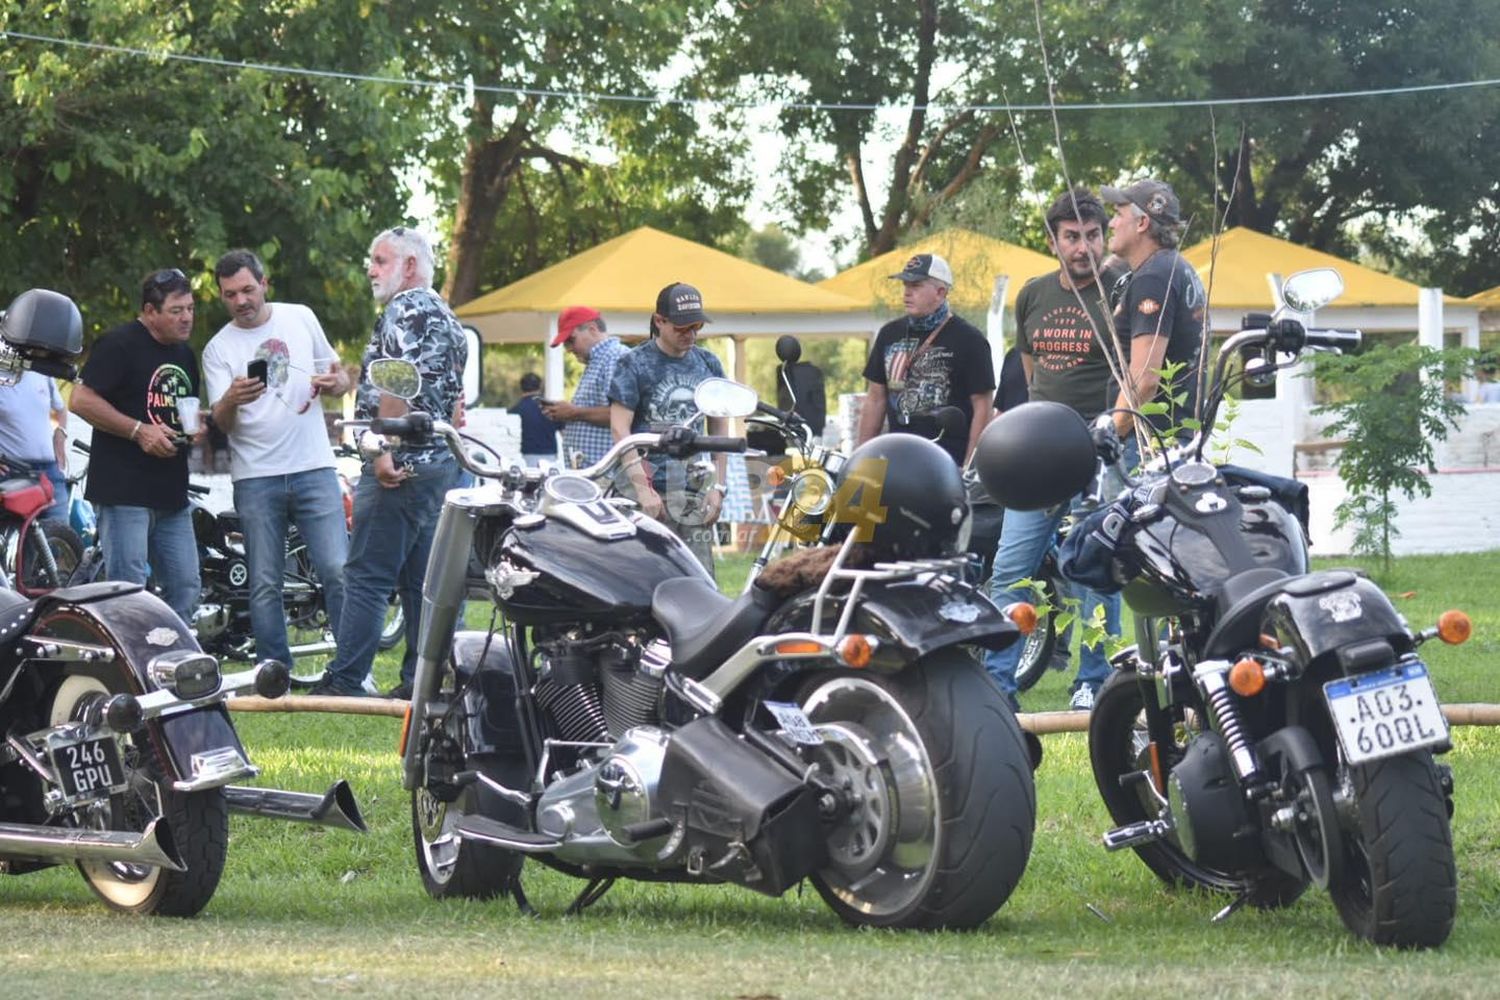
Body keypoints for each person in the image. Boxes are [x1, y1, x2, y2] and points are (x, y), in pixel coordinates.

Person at [982, 188, 1131, 712]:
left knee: (1096, 573)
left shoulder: (1122, 290)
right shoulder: (1034, 295)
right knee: (1011, 568)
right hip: (1039, 451)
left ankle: (1093, 681)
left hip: (1101, 450)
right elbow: (1028, 374)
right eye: (1072, 237)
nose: (1084, 247)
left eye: (1092, 235)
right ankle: (998, 684)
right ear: (1053, 241)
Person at [310, 227, 467, 699]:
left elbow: (399, 381)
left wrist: (382, 449)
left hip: (402, 464)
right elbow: (453, 398)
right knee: (422, 581)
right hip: (438, 463)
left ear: (411, 266)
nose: (371, 271)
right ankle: (420, 682)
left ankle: (345, 681)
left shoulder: (406, 308)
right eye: (371, 262)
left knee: (367, 576)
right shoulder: (445, 313)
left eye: (380, 261)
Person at [202, 249, 353, 668]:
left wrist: (337, 381)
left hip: (314, 468)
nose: (241, 301)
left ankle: (351, 670)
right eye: (230, 294)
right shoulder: (218, 349)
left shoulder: (300, 316)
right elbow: (223, 423)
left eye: (248, 290)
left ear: (265, 284)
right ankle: (274, 672)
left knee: (338, 570)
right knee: (265, 581)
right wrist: (231, 399)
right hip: (256, 477)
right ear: (222, 296)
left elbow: (339, 376)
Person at [69, 268, 202, 623]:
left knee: (186, 586)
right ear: (149, 311)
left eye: (190, 308)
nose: (186, 317)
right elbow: (80, 400)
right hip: (124, 492)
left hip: (172, 494)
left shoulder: (185, 355)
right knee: (129, 591)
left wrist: (195, 429)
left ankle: (173, 668)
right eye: (176, 310)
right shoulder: (120, 344)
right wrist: (138, 431)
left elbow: (178, 413)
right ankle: (131, 674)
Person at [609, 282, 728, 579]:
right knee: (645, 581)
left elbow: (719, 428)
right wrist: (643, 488)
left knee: (698, 582)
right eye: (681, 327)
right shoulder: (633, 363)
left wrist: (718, 487)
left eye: (696, 326)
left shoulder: (708, 362)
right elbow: (620, 429)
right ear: (659, 321)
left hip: (691, 491)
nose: (690, 334)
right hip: (645, 491)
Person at [855, 253, 994, 466]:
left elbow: (983, 407)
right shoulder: (889, 334)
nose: (907, 293)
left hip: (948, 464)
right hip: (897, 459)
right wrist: (860, 461)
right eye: (905, 285)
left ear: (940, 292)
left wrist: (970, 467)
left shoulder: (970, 339)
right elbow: (875, 399)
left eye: (916, 286)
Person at [1101, 178, 1206, 442]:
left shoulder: (1153, 278)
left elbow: (1146, 378)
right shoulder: (1177, 268)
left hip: (1148, 442)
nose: (1111, 224)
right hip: (1175, 436)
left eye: (1117, 214)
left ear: (1142, 223)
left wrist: (1110, 438)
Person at [540, 306, 626, 468]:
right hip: (592, 472)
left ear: (592, 329)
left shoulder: (615, 357)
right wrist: (566, 412)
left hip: (605, 474)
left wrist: (574, 412)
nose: (569, 349)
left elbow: (623, 415)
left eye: (571, 341)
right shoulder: (598, 360)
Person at [0, 371, 70, 522]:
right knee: (16, 541)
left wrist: (61, 434)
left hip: (50, 472)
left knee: (61, 538)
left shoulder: (42, 370)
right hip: (11, 473)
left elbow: (61, 409)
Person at [510, 372, 560, 466]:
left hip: (525, 457)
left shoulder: (516, 410)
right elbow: (564, 433)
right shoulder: (551, 408)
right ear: (540, 386)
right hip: (550, 456)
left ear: (521, 387)